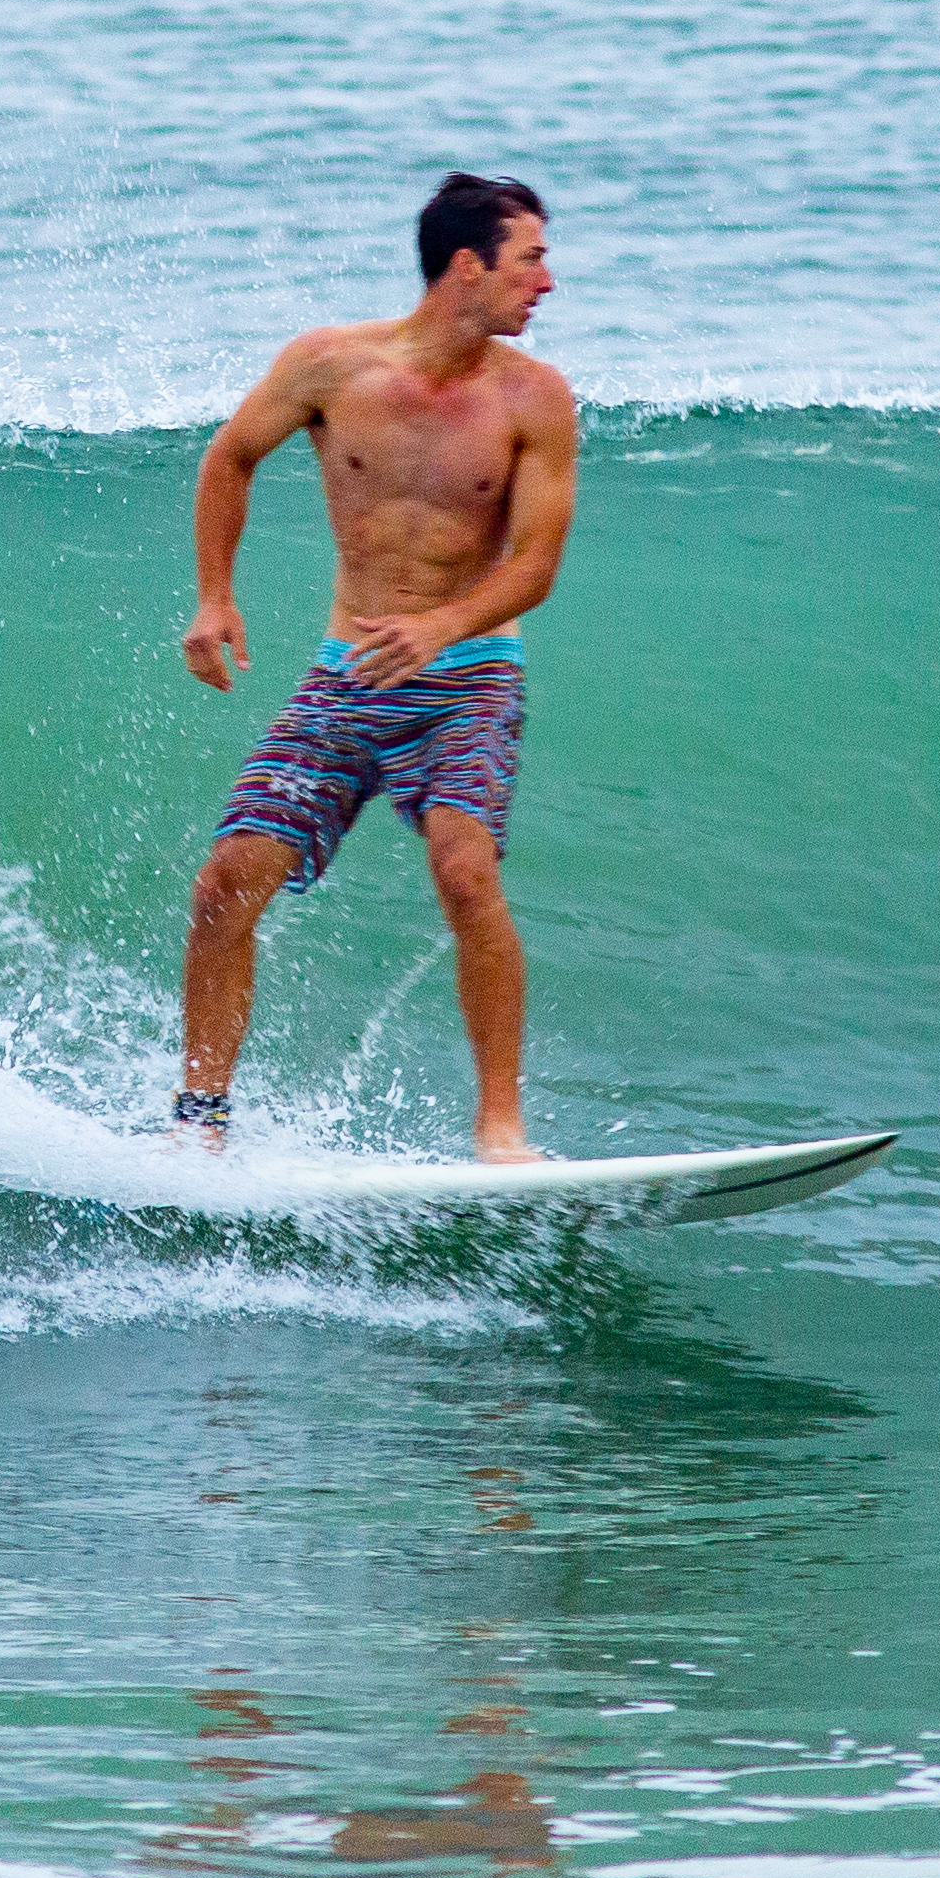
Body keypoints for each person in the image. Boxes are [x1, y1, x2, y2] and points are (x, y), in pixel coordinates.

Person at [174, 171, 579, 1157]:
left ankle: (500, 1128)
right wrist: (215, 596)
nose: (548, 283)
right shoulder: (329, 368)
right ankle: (199, 1121)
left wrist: (443, 627)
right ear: (468, 265)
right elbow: (231, 456)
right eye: (531, 258)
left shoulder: (535, 401)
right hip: (350, 670)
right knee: (225, 883)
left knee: (464, 868)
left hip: (469, 672)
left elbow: (534, 567)